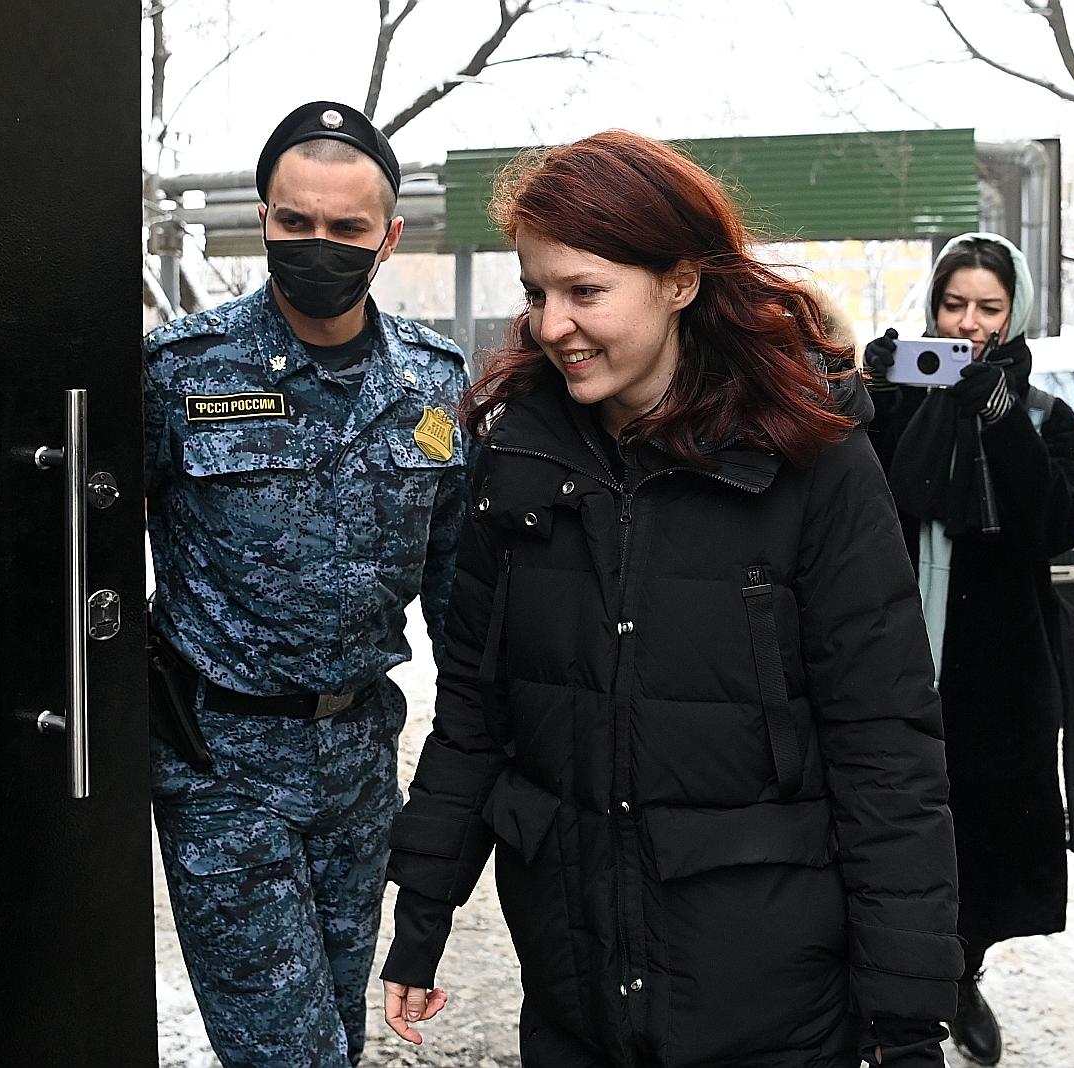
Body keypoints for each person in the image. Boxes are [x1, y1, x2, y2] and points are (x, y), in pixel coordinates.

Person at [377, 130, 963, 1068]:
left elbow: (886, 750)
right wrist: (422, 913)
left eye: (584, 291)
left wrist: (904, 1019)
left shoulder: (813, 463)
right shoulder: (517, 461)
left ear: (681, 282)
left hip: (773, 1008)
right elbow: (477, 716)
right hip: (575, 997)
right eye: (535, 293)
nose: (550, 324)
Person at [143, 99, 471, 1066]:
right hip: (220, 762)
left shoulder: (433, 385)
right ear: (263, 218)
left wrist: (471, 755)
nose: (316, 243)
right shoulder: (179, 375)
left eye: (345, 228)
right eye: (295, 222)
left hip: (361, 756)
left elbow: (455, 582)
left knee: (336, 1024)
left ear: (388, 237)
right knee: (293, 1055)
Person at [860, 232, 1074, 1067]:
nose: (968, 324)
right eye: (953, 305)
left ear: (1016, 311)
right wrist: (872, 393)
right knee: (893, 822)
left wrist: (997, 418)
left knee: (987, 833)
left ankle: (963, 974)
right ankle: (900, 988)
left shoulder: (1041, 414)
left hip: (997, 664)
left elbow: (1056, 530)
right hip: (897, 645)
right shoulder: (896, 397)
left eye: (988, 308)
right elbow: (857, 503)